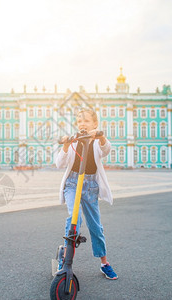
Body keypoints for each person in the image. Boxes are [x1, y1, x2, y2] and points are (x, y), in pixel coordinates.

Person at [55, 107, 117, 280]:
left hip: (90, 186)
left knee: (95, 226)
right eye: (79, 121)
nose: (82, 124)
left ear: (95, 124)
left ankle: (104, 263)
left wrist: (101, 136)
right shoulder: (74, 140)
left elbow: (106, 149)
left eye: (86, 121)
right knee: (75, 219)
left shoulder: (97, 140)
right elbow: (59, 163)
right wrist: (66, 145)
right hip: (73, 184)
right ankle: (65, 262)